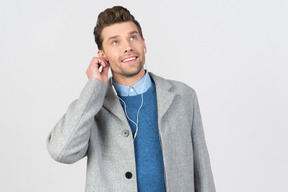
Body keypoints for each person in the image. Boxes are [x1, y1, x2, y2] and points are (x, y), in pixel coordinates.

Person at [47, 6, 216, 192]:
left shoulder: (183, 96)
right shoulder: (93, 104)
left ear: (144, 44)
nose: (128, 47)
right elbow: (61, 151)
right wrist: (94, 87)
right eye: (115, 42)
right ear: (102, 56)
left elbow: (202, 172)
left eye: (133, 37)